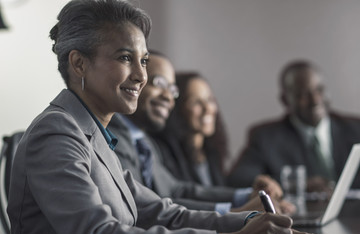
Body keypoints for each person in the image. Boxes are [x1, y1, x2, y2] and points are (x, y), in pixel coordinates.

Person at [6, 1, 322, 234]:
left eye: (143, 61)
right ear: (79, 64)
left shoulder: (96, 136)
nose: (142, 76)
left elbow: (164, 213)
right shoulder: (57, 133)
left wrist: (255, 221)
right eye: (125, 58)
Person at [109, 50, 298, 215]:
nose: (167, 96)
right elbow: (143, 207)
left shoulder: (144, 140)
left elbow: (176, 191)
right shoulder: (114, 136)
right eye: (159, 83)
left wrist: (247, 196)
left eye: (172, 89)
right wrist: (233, 213)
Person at [227, 60, 360, 191]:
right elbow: (239, 180)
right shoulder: (266, 138)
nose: (315, 100)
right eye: (303, 94)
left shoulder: (356, 129)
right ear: (285, 100)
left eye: (320, 90)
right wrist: (297, 184)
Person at [152, 71, 230, 187]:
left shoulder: (211, 152)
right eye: (196, 102)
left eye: (209, 99)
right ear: (177, 107)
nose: (207, 108)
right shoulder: (163, 151)